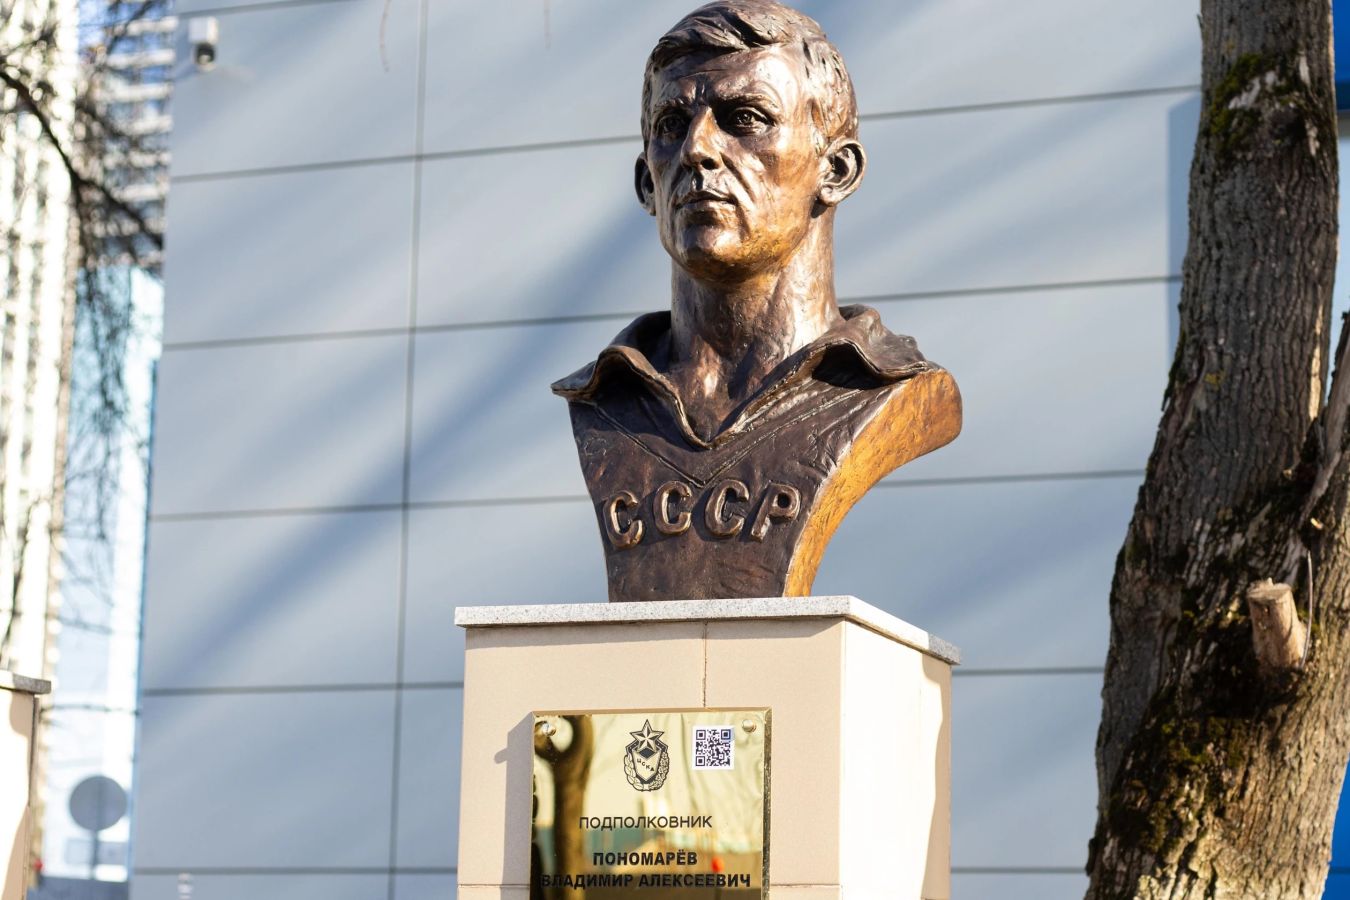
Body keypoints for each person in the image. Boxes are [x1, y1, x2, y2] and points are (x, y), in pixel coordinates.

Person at [553, 0, 961, 602]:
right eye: (672, 125)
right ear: (646, 184)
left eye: (745, 118)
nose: (697, 150)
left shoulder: (887, 391)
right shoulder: (605, 400)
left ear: (836, 170)